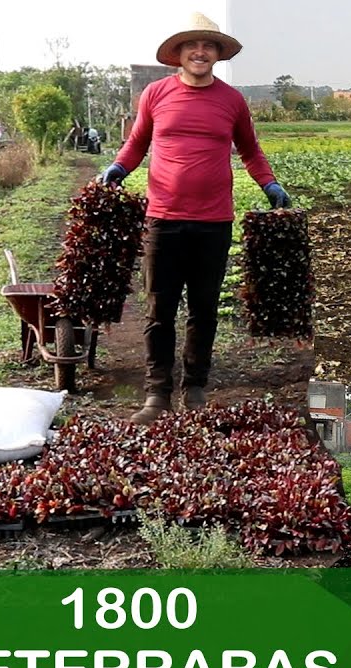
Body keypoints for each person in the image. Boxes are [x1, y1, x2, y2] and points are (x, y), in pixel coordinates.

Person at [96, 12, 292, 425]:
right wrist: (117, 169)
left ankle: (195, 387)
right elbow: (136, 144)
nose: (200, 52)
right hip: (163, 218)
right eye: (192, 46)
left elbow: (251, 151)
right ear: (179, 54)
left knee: (203, 309)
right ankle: (157, 394)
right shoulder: (155, 94)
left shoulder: (232, 100)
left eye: (209, 46)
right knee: (159, 309)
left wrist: (270, 184)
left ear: (218, 54)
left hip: (214, 221)